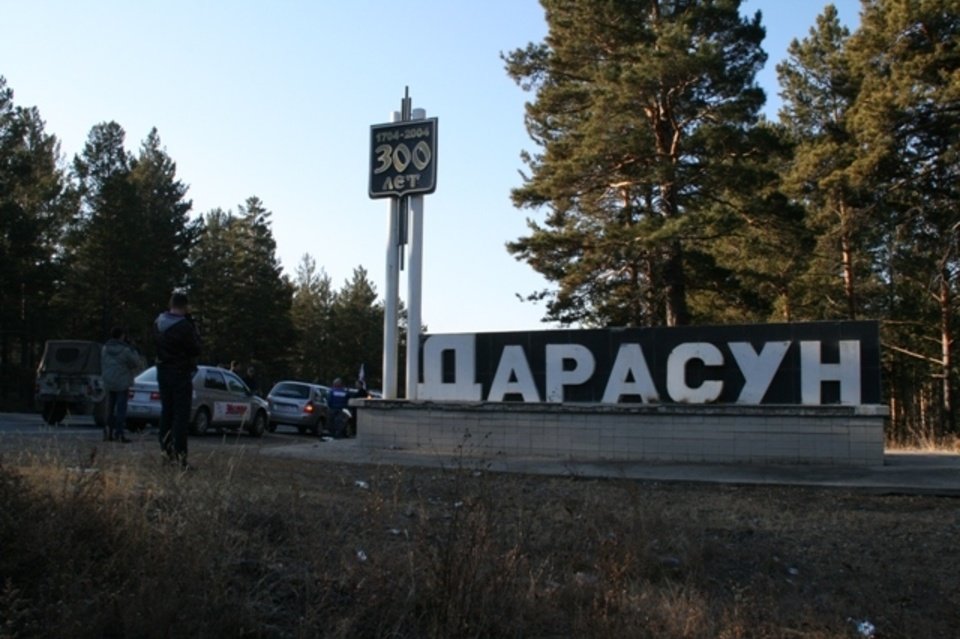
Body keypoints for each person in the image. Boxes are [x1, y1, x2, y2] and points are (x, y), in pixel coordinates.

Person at [154, 291, 202, 469]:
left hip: (162, 370)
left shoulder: (158, 323)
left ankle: (165, 453)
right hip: (180, 372)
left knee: (166, 413)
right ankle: (180, 456)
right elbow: (196, 348)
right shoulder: (184, 326)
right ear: (185, 306)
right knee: (181, 416)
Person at [100, 327, 144, 443]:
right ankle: (119, 433)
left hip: (108, 381)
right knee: (121, 409)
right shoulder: (125, 350)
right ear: (122, 336)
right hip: (122, 382)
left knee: (109, 408)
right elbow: (136, 363)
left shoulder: (105, 348)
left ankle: (107, 432)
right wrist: (133, 348)